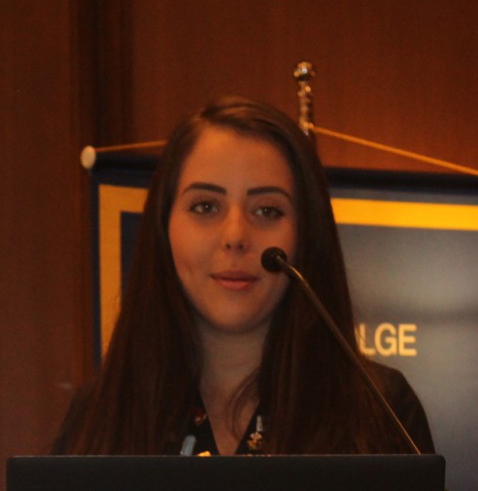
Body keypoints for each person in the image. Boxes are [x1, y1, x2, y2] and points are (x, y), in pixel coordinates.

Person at [53, 97, 435, 457]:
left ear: (307, 234)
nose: (235, 236)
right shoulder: (100, 415)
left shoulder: (382, 411)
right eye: (206, 206)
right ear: (163, 226)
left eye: (267, 210)